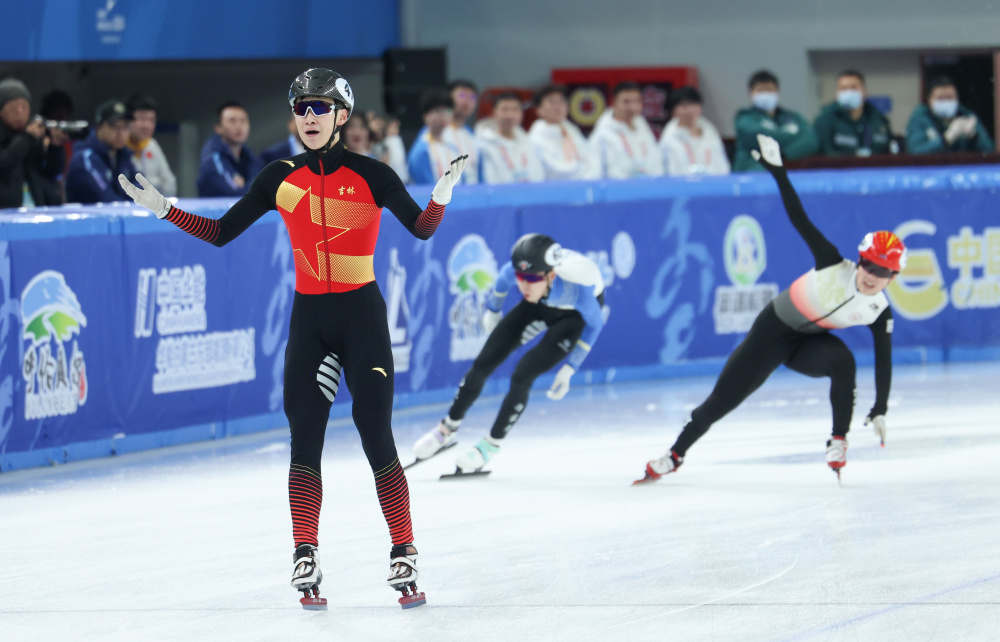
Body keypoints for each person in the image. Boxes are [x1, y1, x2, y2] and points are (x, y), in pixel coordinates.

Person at [118, 68, 468, 609]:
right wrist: (166, 210)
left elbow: (421, 229)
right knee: (305, 441)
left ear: (342, 116)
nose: (308, 117)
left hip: (362, 319)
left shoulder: (374, 174)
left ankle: (404, 549)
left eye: (319, 108)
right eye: (301, 108)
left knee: (376, 434)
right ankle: (305, 550)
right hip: (311, 322)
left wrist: (440, 196)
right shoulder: (277, 177)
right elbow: (220, 233)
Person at [638, 134, 904, 484]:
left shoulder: (878, 311)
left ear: (893, 276)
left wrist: (880, 408)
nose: (873, 276)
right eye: (869, 266)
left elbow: (884, 360)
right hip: (773, 333)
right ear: (860, 260)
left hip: (807, 344)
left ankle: (838, 440)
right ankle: (674, 455)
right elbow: (799, 218)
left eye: (883, 272)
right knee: (721, 401)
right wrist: (779, 174)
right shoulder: (831, 264)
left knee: (844, 362)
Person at [411, 233, 605, 474]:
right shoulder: (523, 275)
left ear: (551, 275)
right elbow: (503, 281)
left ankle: (491, 445)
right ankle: (447, 429)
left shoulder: (579, 291)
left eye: (531, 279)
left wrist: (570, 368)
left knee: (523, 374)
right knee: (484, 362)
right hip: (538, 305)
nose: (523, 285)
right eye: (521, 277)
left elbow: (595, 324)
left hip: (571, 318)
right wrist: (493, 311)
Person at [732, 70, 818, 172]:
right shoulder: (744, 118)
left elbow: (812, 139)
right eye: (760, 90)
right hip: (752, 174)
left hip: (787, 173)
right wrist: (793, 135)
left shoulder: (793, 117)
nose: (765, 94)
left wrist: (784, 154)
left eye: (769, 90)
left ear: (777, 92)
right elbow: (760, 138)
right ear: (751, 93)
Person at [0, 77, 66, 209]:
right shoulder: (30, 137)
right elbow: (3, 164)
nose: (19, 112)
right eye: (13, 108)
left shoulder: (36, 136)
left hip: (38, 208)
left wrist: (55, 147)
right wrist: (27, 139)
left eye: (24, 106)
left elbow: (52, 171)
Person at [65, 100, 135, 204]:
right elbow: (107, 200)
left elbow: (143, 191)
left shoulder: (123, 155)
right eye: (114, 126)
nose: (120, 133)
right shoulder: (84, 159)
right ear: (99, 127)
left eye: (125, 127)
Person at [589, 82, 664, 179]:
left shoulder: (643, 127)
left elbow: (656, 161)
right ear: (614, 103)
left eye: (637, 101)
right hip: (617, 191)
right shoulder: (602, 134)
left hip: (648, 189)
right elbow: (594, 173)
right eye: (626, 102)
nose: (632, 107)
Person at [527, 84, 599, 181]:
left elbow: (592, 160)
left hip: (584, 188)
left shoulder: (571, 130)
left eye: (561, 101)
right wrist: (583, 171)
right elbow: (556, 172)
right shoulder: (535, 139)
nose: (558, 106)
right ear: (539, 110)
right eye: (551, 102)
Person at [905, 76, 994, 154]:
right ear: (929, 99)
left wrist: (973, 137)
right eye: (940, 98)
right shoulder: (920, 117)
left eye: (950, 98)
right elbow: (915, 152)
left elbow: (990, 150)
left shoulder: (966, 115)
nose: (946, 102)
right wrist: (946, 139)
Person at [813, 70, 892, 157]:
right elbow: (825, 155)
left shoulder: (878, 119)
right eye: (843, 88)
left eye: (853, 88)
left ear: (864, 91)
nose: (848, 92)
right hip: (840, 169)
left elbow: (888, 151)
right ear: (837, 93)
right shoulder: (825, 120)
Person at [658, 86, 730, 176]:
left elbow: (722, 166)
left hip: (712, 186)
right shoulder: (669, 138)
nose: (689, 110)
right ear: (674, 110)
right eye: (683, 105)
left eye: (693, 104)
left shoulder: (710, 133)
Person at [197, 101, 263, 197]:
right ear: (218, 128)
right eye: (232, 121)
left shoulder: (248, 157)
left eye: (243, 120)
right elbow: (237, 196)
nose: (239, 126)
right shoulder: (212, 159)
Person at [476, 92, 544, 184]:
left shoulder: (529, 143)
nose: (510, 115)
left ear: (521, 113)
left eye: (515, 109)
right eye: (504, 109)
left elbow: (539, 175)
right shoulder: (484, 145)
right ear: (494, 112)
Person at [126, 95, 177, 197]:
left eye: (151, 120)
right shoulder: (119, 147)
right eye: (141, 119)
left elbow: (169, 183)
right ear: (127, 120)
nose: (146, 125)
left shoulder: (151, 144)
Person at [407, 90, 458, 185]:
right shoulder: (422, 151)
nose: (444, 115)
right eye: (438, 111)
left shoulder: (453, 148)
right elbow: (426, 188)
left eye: (448, 111)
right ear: (426, 116)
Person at [342, 115, 408, 182]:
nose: (356, 132)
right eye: (351, 126)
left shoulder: (376, 162)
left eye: (361, 127)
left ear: (368, 132)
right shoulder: (338, 161)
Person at [442, 79, 480, 184]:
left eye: (472, 97)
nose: (467, 102)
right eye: (462, 96)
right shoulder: (436, 133)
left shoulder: (473, 136)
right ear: (449, 98)